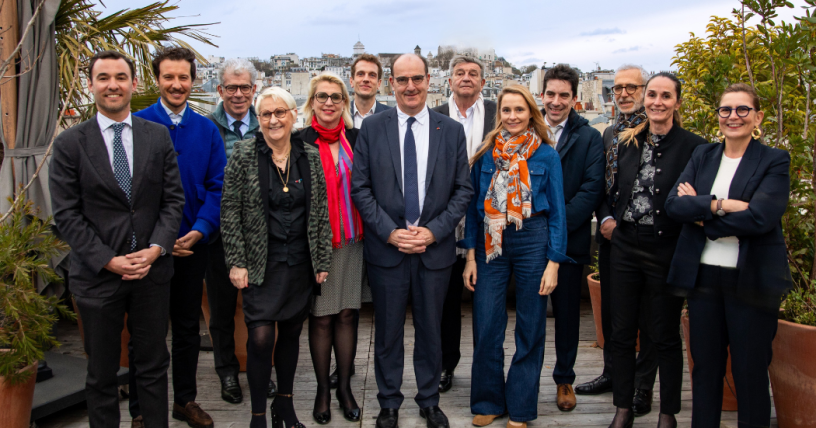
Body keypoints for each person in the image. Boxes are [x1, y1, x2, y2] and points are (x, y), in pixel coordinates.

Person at [50, 50, 185, 427]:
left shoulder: (156, 136)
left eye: (121, 77)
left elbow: (173, 200)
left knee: (154, 366)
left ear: (134, 84)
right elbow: (66, 215)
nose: (113, 85)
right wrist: (108, 259)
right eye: (104, 77)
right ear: (90, 84)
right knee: (102, 374)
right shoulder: (69, 144)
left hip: (151, 276)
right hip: (97, 277)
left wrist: (156, 250)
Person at [351, 53, 473, 428]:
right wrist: (390, 232)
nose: (410, 87)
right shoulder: (372, 128)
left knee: (431, 331)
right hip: (387, 250)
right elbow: (360, 188)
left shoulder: (450, 130)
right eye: (402, 80)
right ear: (392, 84)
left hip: (434, 251)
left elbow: (462, 191)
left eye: (416, 79)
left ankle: (428, 399)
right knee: (386, 332)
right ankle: (388, 403)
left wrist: (433, 231)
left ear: (429, 81)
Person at [665, 83, 792, 428]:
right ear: (718, 116)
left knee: (750, 370)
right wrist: (722, 205)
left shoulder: (774, 160)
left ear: (757, 117)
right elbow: (674, 205)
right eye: (726, 110)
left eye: (742, 110)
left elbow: (761, 217)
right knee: (705, 368)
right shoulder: (703, 155)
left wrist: (702, 216)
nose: (733, 116)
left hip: (750, 279)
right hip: (704, 276)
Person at [220, 86, 332, 428]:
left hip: (300, 261)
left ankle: (284, 405)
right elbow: (229, 211)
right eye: (266, 114)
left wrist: (322, 260)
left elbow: (320, 210)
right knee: (260, 337)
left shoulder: (309, 154)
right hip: (259, 263)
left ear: (293, 115)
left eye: (279, 112)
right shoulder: (243, 154)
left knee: (291, 334)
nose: (273, 120)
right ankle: (258, 414)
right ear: (259, 118)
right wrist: (236, 262)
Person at [461, 85, 571, 428]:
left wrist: (554, 262)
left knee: (530, 325)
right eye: (506, 110)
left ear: (531, 113)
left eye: (519, 110)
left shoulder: (547, 156)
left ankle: (521, 409)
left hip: (533, 241)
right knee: (487, 323)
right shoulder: (486, 154)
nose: (512, 117)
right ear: (500, 115)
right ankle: (488, 401)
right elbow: (473, 209)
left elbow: (557, 214)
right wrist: (470, 257)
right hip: (490, 242)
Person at [128, 46, 225, 428]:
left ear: (193, 80)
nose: (176, 84)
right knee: (145, 332)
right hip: (148, 248)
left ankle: (184, 400)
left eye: (183, 77)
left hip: (191, 246)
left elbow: (217, 187)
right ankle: (140, 409)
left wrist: (200, 230)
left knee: (186, 328)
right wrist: (157, 241)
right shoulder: (136, 125)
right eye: (168, 76)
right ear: (156, 80)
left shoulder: (206, 129)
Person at [606, 73, 706, 428]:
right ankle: (623, 408)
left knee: (664, 334)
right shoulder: (628, 141)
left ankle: (668, 414)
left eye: (666, 96)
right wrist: (609, 218)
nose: (657, 102)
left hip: (667, 247)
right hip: (625, 246)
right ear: (644, 99)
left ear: (677, 102)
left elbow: (699, 201)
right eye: (652, 95)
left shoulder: (696, 147)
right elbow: (611, 189)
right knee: (620, 331)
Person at [576, 64, 659, 418]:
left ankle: (642, 387)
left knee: (648, 317)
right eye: (618, 88)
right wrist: (606, 219)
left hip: (645, 240)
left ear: (644, 91)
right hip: (612, 239)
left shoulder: (655, 131)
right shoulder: (608, 132)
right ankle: (614, 374)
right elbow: (599, 182)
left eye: (631, 87)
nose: (622, 93)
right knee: (612, 313)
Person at [203, 58, 277, 403]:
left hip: (263, 236)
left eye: (244, 87)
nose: (237, 94)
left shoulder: (267, 123)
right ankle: (228, 372)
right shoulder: (208, 128)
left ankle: (262, 371)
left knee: (260, 309)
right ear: (220, 90)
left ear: (254, 89)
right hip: (220, 233)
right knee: (221, 309)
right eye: (230, 87)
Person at [298, 73, 364, 424]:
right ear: (311, 101)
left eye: (335, 97)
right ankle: (324, 389)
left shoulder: (357, 138)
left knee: (348, 313)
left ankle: (345, 387)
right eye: (321, 96)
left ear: (344, 102)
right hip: (318, 245)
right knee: (322, 317)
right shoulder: (299, 141)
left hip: (354, 241)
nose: (328, 103)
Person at [539, 64, 605, 412]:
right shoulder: (526, 128)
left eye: (564, 95)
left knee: (566, 314)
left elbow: (591, 190)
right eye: (551, 94)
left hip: (568, 242)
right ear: (542, 94)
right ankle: (524, 376)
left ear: (575, 98)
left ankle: (564, 378)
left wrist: (556, 228)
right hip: (527, 240)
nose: (556, 101)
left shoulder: (589, 136)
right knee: (528, 314)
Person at [431, 55, 496, 394]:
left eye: (473, 74)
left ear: (483, 83)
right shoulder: (435, 116)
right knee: (445, 303)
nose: (466, 78)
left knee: (488, 303)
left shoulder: (500, 114)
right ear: (449, 80)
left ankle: (486, 370)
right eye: (460, 73)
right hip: (445, 226)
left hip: (489, 227)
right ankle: (446, 364)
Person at [350, 53, 392, 129]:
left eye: (372, 75)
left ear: (379, 83)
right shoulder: (339, 115)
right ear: (351, 81)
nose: (366, 79)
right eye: (360, 74)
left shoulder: (392, 117)